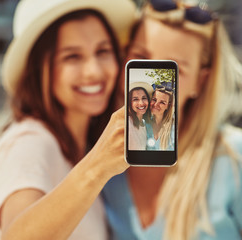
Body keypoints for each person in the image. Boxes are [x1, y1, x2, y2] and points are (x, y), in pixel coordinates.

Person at [0, 0, 136, 239]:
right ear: (39, 69)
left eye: (103, 51)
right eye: (72, 57)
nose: (94, 71)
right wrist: (98, 166)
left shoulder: (75, 149)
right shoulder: (28, 143)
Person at [103, 0, 242, 239]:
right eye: (140, 58)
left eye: (172, 69)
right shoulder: (101, 163)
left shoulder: (233, 157)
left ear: (200, 81)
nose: (152, 82)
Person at [146, 85, 175, 150]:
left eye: (162, 102)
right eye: (154, 99)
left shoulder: (175, 127)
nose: (156, 104)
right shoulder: (144, 124)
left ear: (168, 106)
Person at [128, 82, 153, 150]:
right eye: (135, 99)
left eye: (144, 98)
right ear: (129, 102)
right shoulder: (127, 123)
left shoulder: (144, 123)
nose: (141, 103)